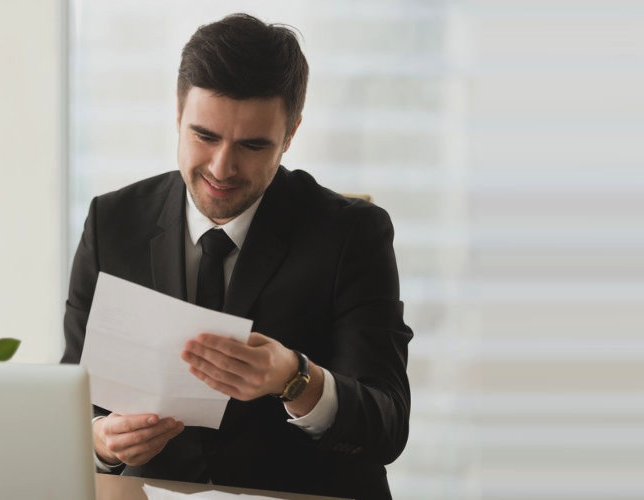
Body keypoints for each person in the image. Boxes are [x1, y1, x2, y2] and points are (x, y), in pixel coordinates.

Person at [59, 13, 412, 500]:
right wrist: (103, 443)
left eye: (252, 145)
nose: (222, 168)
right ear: (177, 114)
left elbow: (387, 426)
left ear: (290, 135)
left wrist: (295, 379)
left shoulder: (353, 234)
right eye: (204, 136)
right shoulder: (112, 221)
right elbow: (72, 402)